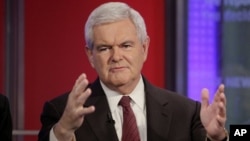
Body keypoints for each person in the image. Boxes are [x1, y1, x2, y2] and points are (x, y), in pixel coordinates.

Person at [38, 2, 228, 141]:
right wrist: (62, 132)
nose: (116, 56)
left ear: (144, 48)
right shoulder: (62, 112)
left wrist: (218, 138)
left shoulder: (185, 112)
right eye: (105, 48)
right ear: (90, 55)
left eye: (126, 45)